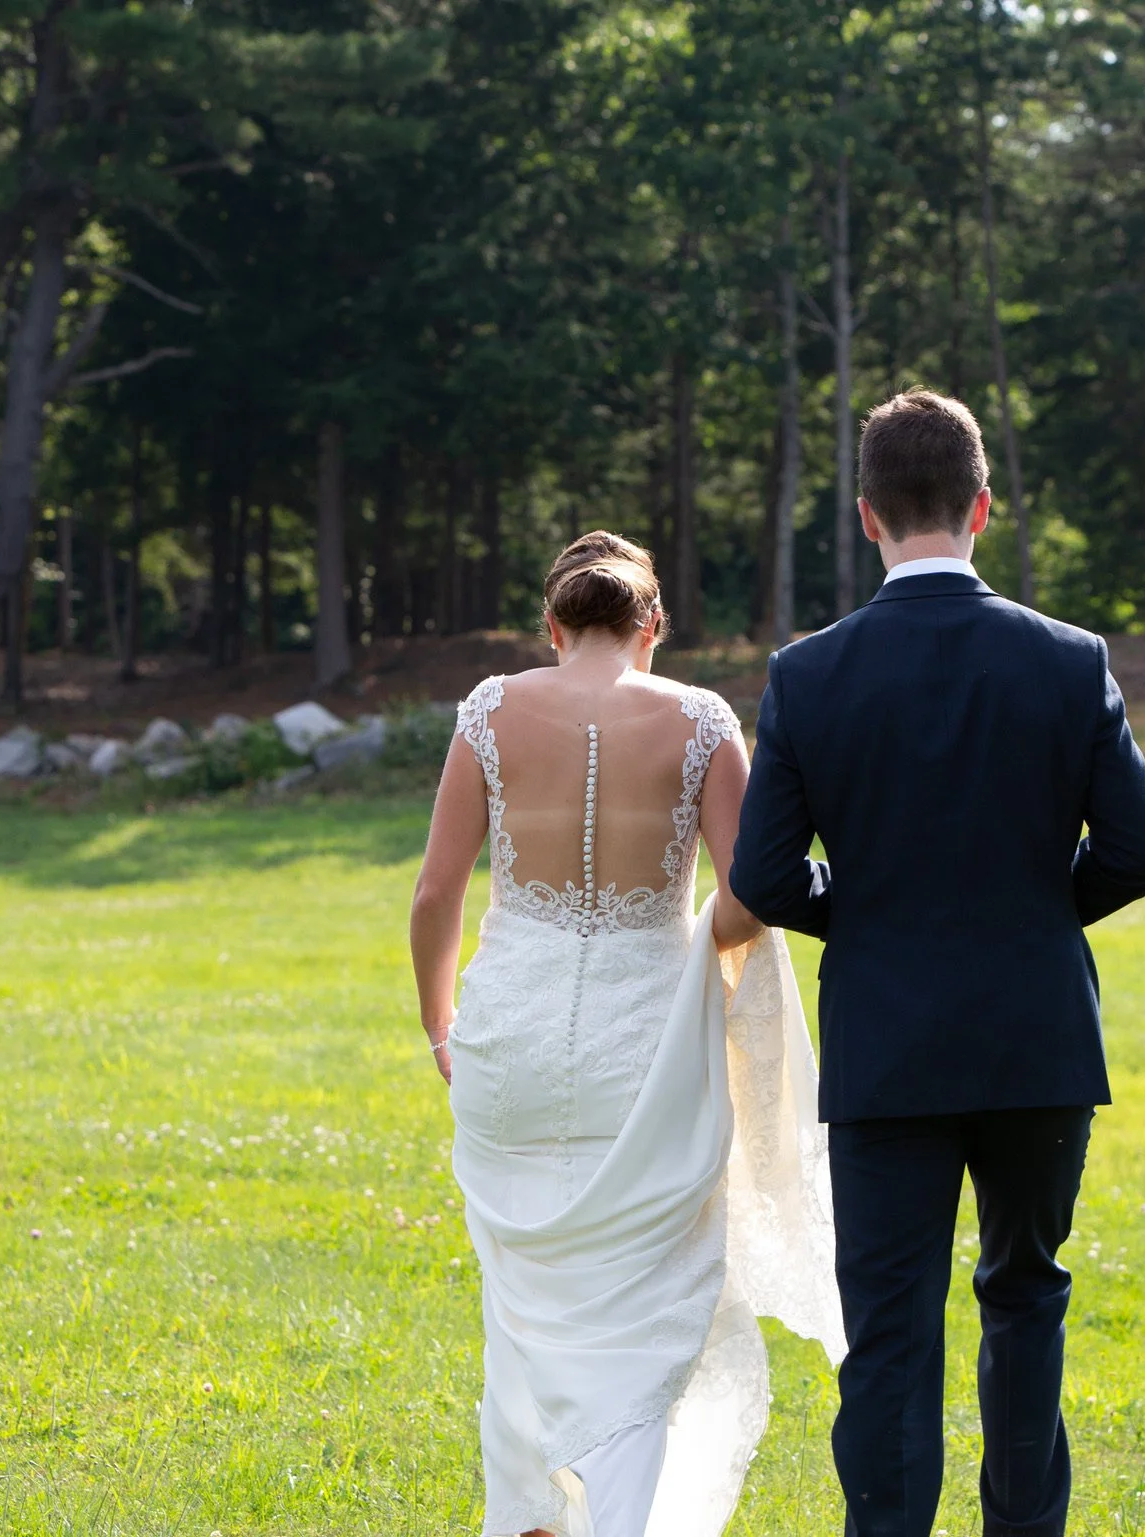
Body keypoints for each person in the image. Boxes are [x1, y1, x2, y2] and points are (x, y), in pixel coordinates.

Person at [731, 391, 1145, 1536]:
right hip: (1035, 1036)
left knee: (890, 1326)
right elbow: (1139, 849)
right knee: (1026, 1298)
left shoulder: (807, 673)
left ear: (868, 517)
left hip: (888, 1040)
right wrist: (1031, 911)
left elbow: (768, 878)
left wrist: (875, 914)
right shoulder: (1070, 661)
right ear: (983, 505)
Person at [410, 532, 844, 1537]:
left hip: (507, 1042)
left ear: (553, 628)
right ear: (652, 626)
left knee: (521, 1310)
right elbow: (750, 895)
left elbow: (437, 891)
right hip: (646, 1049)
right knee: (651, 1315)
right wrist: (696, 954)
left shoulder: (490, 709)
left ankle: (533, 1518)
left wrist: (441, 1024)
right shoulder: (699, 719)